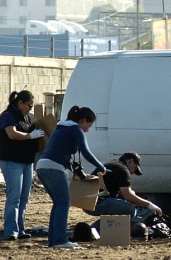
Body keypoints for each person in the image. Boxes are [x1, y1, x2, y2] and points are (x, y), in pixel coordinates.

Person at [35, 106, 107, 248]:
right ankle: (61, 241)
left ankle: (54, 240)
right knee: (64, 202)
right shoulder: (76, 129)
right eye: (89, 125)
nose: (87, 129)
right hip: (54, 167)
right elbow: (86, 152)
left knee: (58, 203)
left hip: (41, 165)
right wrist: (101, 166)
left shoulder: (61, 126)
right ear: (83, 121)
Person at [0, 90, 44, 241]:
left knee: (24, 197)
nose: (30, 108)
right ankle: (10, 230)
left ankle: (20, 229)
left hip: (26, 162)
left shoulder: (28, 118)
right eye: (29, 105)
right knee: (14, 196)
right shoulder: (7, 116)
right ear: (20, 103)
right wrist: (31, 135)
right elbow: (12, 134)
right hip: (11, 161)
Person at [85, 152, 163, 230]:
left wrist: (132, 196)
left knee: (122, 207)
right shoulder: (123, 170)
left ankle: (97, 230)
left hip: (87, 201)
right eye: (135, 168)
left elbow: (125, 193)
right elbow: (128, 196)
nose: (132, 173)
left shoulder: (114, 164)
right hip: (95, 203)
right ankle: (93, 230)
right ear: (130, 161)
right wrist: (149, 204)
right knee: (130, 211)